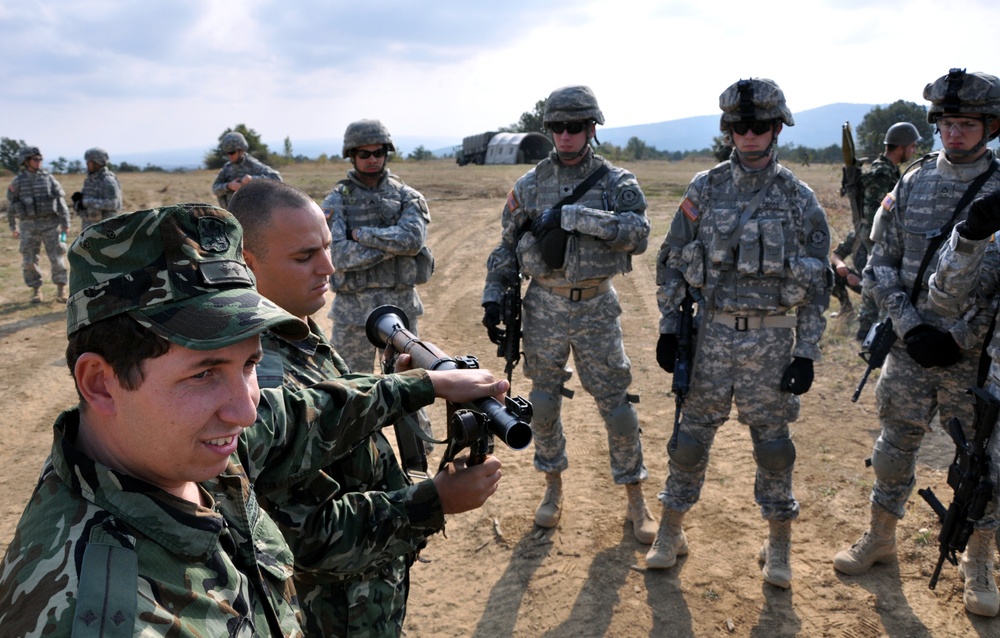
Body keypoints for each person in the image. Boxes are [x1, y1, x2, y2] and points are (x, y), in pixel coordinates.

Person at [0, 202, 507, 636]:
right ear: (100, 383)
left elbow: (295, 414)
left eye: (248, 364)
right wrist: (428, 502)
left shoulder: (174, 447)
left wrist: (423, 383)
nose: (244, 411)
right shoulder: (109, 612)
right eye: (203, 373)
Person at [229, 180, 499, 636]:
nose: (328, 267)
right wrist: (433, 501)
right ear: (248, 263)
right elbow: (304, 536)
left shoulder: (294, 334)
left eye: (328, 248)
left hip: (361, 598)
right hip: (332, 612)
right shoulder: (260, 371)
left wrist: (396, 383)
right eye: (304, 256)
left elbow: (329, 416)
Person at [648, 78, 831, 588]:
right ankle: (670, 531)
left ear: (776, 129)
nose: (749, 135)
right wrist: (669, 329)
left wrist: (808, 353)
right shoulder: (703, 189)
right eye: (739, 127)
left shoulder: (798, 198)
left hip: (771, 343)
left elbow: (818, 284)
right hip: (708, 340)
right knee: (688, 441)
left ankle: (778, 547)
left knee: (773, 447)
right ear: (729, 131)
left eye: (760, 126)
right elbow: (670, 263)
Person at [834, 69, 1000, 617]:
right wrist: (910, 327)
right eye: (948, 123)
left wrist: (956, 338)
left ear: (990, 126)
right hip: (909, 349)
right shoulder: (912, 181)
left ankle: (978, 564)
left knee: (984, 464)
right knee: (893, 447)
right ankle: (880, 537)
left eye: (967, 124)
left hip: (973, 359)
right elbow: (878, 265)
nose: (954, 134)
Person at [480, 85, 658, 544]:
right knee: (543, 403)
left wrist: (577, 217)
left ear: (591, 128)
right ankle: (552, 487)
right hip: (544, 305)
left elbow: (637, 233)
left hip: (597, 304)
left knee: (616, 407)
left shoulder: (617, 183)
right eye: (556, 127)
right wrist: (493, 292)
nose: (564, 135)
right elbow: (505, 247)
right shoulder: (528, 186)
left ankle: (635, 496)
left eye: (574, 127)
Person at [322, 118, 436, 452]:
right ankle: (353, 462)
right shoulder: (336, 201)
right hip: (353, 313)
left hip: (399, 310)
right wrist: (389, 247)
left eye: (378, 152)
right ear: (351, 155)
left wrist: (362, 235)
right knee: (348, 391)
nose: (372, 159)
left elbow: (412, 240)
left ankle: (420, 466)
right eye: (363, 153)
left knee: (410, 388)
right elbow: (339, 255)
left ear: (387, 153)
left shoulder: (407, 196)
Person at [831, 122, 921, 339]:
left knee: (877, 285)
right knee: (879, 284)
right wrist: (882, 241)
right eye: (912, 147)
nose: (914, 151)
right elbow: (874, 212)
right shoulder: (881, 172)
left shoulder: (889, 170)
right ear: (900, 148)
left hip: (882, 237)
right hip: (878, 238)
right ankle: (868, 332)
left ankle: (869, 331)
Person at [5, 145, 71, 303]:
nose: (39, 162)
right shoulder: (18, 182)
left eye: (40, 159)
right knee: (29, 260)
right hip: (28, 227)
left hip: (50, 225)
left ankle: (61, 290)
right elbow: (11, 207)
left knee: (57, 258)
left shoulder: (48, 179)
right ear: (26, 161)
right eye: (35, 159)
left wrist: (65, 223)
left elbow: (60, 202)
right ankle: (36, 290)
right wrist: (13, 227)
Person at [211, 131, 282, 208]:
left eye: (232, 152)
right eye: (227, 153)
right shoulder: (227, 168)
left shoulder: (252, 165)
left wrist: (252, 180)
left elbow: (277, 178)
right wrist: (229, 186)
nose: (229, 156)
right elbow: (215, 189)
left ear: (241, 150)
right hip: (230, 215)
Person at [71, 147, 123, 230]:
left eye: (89, 161)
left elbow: (113, 204)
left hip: (106, 229)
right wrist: (79, 201)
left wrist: (86, 202)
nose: (87, 163)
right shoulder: (90, 179)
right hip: (90, 228)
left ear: (97, 162)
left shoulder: (108, 180)